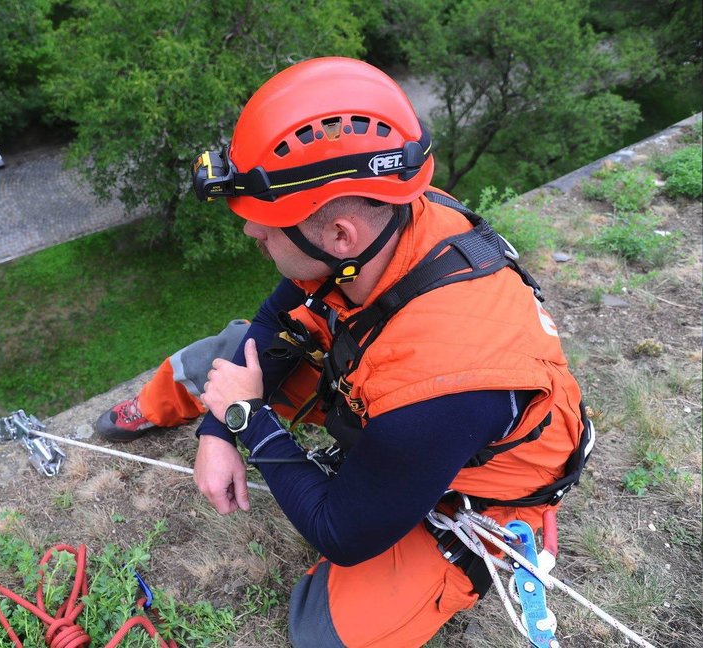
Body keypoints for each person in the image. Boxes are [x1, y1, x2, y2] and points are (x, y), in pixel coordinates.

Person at [93, 57, 591, 647]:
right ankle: (155, 405)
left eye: (265, 224)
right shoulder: (386, 212)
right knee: (233, 352)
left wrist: (247, 420)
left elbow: (340, 531)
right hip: (382, 371)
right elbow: (281, 315)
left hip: (473, 472)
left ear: (338, 236)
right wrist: (214, 433)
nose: (251, 234)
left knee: (322, 632)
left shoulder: (447, 384)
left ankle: (483, 548)